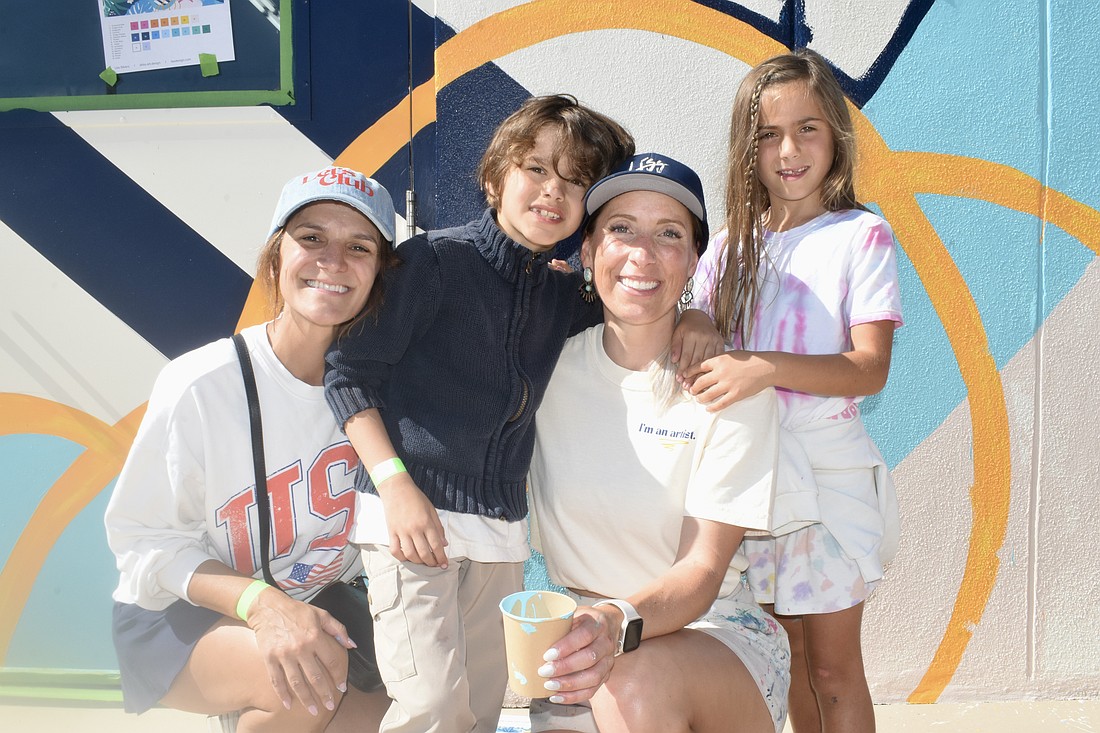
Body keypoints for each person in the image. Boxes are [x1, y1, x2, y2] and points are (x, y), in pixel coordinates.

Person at [323, 96, 722, 733]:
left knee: (482, 707)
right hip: (410, 522)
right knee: (431, 706)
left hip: (499, 531)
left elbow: (641, 305)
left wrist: (698, 312)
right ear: (493, 178)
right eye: (535, 169)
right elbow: (348, 373)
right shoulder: (432, 262)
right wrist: (395, 485)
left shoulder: (564, 295)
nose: (551, 191)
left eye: (575, 181)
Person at [105, 166, 396, 733]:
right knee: (305, 679)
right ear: (275, 256)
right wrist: (264, 606)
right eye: (311, 238)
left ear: (380, 274)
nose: (332, 261)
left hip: (322, 611)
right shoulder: (199, 384)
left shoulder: (387, 389)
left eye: (358, 246)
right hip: (181, 615)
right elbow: (145, 541)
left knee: (423, 716)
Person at [525, 153, 791, 733]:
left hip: (712, 634)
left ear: (693, 259)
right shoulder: (539, 370)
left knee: (631, 682)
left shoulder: (730, 389)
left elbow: (701, 571)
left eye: (669, 234)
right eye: (621, 229)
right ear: (589, 249)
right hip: (580, 640)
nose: (643, 253)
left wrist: (614, 620)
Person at [684, 49, 903, 733]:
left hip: (826, 484)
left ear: (836, 134)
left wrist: (763, 365)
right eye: (770, 134)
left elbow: (869, 367)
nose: (790, 149)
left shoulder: (861, 235)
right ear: (747, 149)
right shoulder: (728, 246)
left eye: (808, 128)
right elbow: (695, 318)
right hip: (748, 484)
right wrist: (693, 315)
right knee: (787, 653)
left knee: (834, 667)